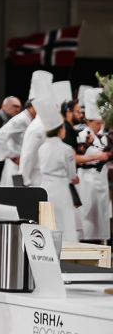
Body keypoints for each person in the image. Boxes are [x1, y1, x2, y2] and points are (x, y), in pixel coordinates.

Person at [38, 108, 79, 242]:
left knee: (48, 220)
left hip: (44, 186)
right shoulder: (66, 149)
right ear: (61, 130)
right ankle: (66, 247)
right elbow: (71, 173)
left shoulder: (41, 148)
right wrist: (74, 178)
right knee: (64, 219)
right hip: (61, 187)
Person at [76, 90, 111, 242]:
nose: (100, 126)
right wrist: (98, 156)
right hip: (87, 178)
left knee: (101, 213)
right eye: (97, 123)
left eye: (101, 123)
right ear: (88, 121)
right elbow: (79, 156)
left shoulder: (102, 137)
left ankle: (100, 242)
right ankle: (86, 241)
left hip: (101, 178)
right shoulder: (82, 135)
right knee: (88, 212)